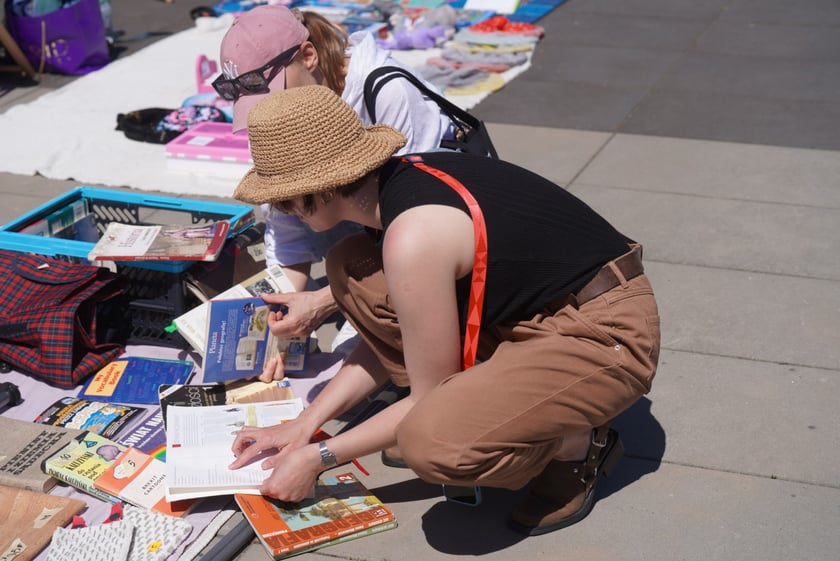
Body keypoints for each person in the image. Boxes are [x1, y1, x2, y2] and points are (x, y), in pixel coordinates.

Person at [228, 86, 661, 536]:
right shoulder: (395, 185)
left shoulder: (413, 235)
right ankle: (498, 409)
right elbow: (410, 336)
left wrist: (318, 457)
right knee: (351, 266)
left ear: (322, 188)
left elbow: (426, 397)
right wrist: (304, 424)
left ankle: (574, 442)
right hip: (538, 313)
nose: (281, 210)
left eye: (284, 197)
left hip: (606, 333)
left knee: (433, 442)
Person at [213, 5, 455, 380]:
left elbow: (427, 232)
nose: (272, 110)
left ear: (308, 56)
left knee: (358, 360)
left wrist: (328, 302)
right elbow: (287, 238)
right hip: (371, 245)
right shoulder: (282, 122)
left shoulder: (389, 93)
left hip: (433, 249)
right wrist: (275, 329)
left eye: (273, 93)